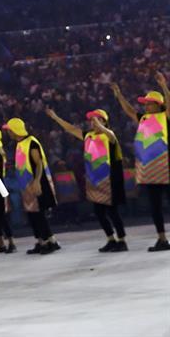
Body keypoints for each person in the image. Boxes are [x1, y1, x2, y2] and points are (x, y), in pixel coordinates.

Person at [47, 108, 128, 252]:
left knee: (112, 212)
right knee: (99, 212)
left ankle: (122, 240)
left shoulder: (109, 135)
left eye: (97, 119)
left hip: (110, 179)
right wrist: (55, 117)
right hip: (94, 180)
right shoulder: (88, 136)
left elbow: (110, 135)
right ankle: (111, 239)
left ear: (104, 121)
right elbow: (71, 129)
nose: (93, 122)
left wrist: (101, 127)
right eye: (92, 120)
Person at [111, 73, 170, 251]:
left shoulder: (165, 117)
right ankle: (162, 239)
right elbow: (129, 110)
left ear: (158, 105)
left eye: (149, 103)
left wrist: (164, 86)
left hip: (166, 167)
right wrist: (119, 95)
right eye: (145, 103)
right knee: (155, 207)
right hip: (149, 170)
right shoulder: (143, 118)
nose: (145, 105)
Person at [1, 118, 60, 254]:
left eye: (9, 130)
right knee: (33, 214)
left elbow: (38, 163)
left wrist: (37, 181)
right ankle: (47, 240)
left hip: (35, 184)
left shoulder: (31, 142)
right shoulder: (20, 143)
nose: (8, 133)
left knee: (38, 215)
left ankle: (46, 243)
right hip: (26, 186)